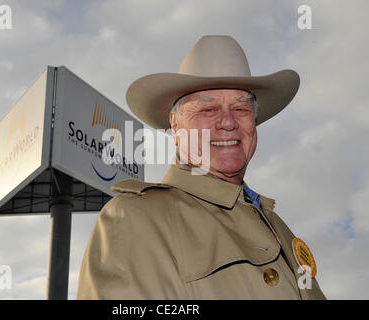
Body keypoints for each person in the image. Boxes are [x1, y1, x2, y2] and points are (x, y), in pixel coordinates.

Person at [77, 35, 326, 299]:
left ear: (254, 120)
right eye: (208, 110)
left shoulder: (279, 227)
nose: (228, 122)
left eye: (241, 109)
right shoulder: (135, 219)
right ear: (175, 126)